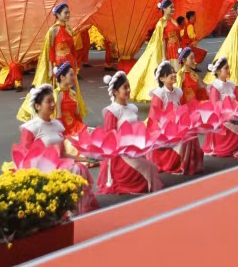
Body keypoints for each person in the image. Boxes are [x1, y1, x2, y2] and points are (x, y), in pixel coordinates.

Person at [15, 84, 99, 213]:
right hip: (42, 170)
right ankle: (68, 208)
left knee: (79, 167)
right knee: (75, 170)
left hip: (60, 165)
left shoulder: (57, 125)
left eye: (53, 101)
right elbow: (26, 159)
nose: (53, 105)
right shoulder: (30, 128)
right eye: (48, 102)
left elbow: (63, 154)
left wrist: (83, 158)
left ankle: (74, 208)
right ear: (37, 106)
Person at [98, 72, 163, 194]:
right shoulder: (111, 112)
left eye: (128, 87)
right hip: (121, 155)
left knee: (152, 168)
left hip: (136, 149)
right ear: (115, 92)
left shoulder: (133, 108)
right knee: (149, 169)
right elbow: (109, 139)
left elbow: (138, 129)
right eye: (125, 88)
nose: (128, 90)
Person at [148, 61, 204, 174]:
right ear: (162, 79)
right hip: (165, 129)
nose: (174, 75)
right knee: (185, 135)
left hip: (178, 125)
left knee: (191, 133)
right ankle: (179, 163)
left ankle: (189, 163)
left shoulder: (178, 92)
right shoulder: (159, 94)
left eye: (174, 72)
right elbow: (153, 118)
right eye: (170, 73)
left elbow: (183, 109)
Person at [202, 57, 238, 160]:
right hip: (222, 117)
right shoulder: (215, 87)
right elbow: (214, 106)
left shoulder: (231, 84)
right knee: (237, 122)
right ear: (218, 71)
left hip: (234, 113)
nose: (229, 71)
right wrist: (228, 114)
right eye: (226, 68)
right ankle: (230, 146)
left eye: (228, 68)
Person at [53, 62, 87, 137]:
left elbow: (77, 115)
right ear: (62, 77)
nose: (74, 77)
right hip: (64, 130)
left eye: (74, 75)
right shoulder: (57, 94)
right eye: (71, 75)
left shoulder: (73, 93)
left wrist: (82, 130)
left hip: (75, 127)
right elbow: (58, 118)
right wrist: (62, 135)